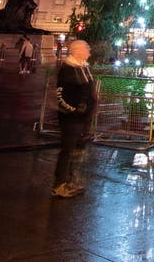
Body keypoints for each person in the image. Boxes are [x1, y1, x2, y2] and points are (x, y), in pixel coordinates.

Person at [52, 39, 96, 197]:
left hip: (81, 118)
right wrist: (75, 110)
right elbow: (61, 95)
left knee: (74, 151)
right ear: (78, 51)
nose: (89, 52)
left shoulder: (83, 67)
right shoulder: (68, 69)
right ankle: (59, 185)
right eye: (87, 49)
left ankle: (69, 181)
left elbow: (87, 91)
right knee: (67, 151)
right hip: (71, 118)